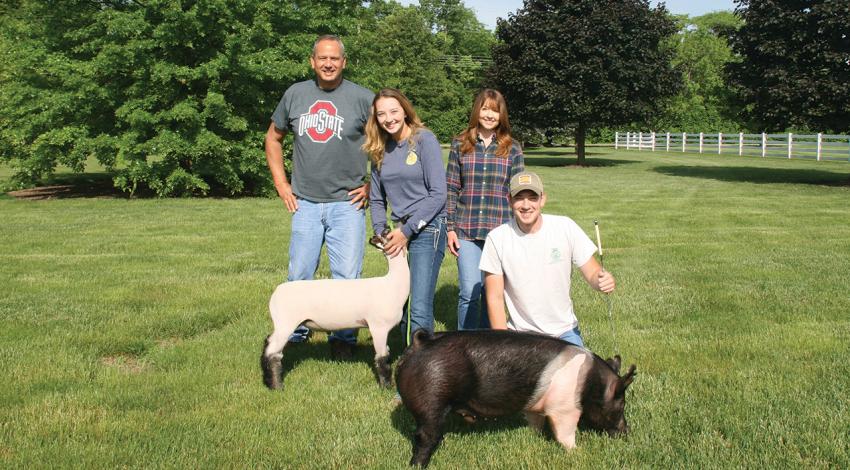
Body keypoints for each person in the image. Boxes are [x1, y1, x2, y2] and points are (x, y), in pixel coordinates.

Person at [264, 34, 374, 358]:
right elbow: (273, 139)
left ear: (344, 62)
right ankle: (296, 333)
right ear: (312, 62)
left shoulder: (362, 98)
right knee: (299, 275)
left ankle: (343, 339)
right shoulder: (295, 94)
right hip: (306, 202)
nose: (328, 64)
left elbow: (387, 145)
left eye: (334, 58)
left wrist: (372, 185)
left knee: (348, 279)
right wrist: (282, 185)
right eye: (322, 58)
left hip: (347, 204)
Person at [479, 172, 616, 348]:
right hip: (521, 336)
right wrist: (505, 345)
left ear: (542, 200)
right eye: (519, 198)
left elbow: (593, 272)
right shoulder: (496, 238)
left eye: (532, 198)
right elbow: (495, 298)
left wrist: (602, 281)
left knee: (582, 375)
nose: (526, 205)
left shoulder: (565, 227)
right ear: (510, 200)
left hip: (565, 333)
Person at [364, 88, 447, 345]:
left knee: (420, 304)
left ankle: (422, 370)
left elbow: (438, 194)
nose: (388, 118)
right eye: (381, 114)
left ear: (405, 110)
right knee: (399, 300)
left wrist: (407, 231)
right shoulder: (379, 148)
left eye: (393, 111)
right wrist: (381, 231)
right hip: (399, 233)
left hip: (427, 228)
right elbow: (377, 198)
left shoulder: (424, 140)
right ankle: (406, 357)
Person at [445, 89, 525, 330]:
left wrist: (521, 232)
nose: (490, 114)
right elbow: (451, 187)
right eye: (485, 108)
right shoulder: (460, 144)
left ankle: (490, 347)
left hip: (500, 232)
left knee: (492, 293)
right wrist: (450, 228)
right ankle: (464, 348)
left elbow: (519, 193)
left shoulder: (512, 148)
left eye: (495, 110)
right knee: (469, 291)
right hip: (466, 230)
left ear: (502, 115)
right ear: (477, 110)